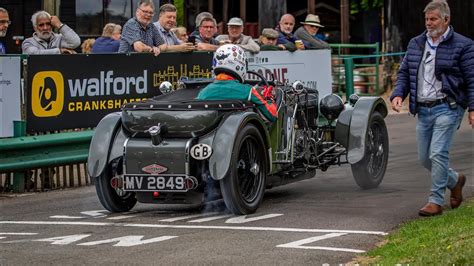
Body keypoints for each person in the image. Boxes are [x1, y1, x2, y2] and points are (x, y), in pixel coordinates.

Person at [390, 0, 473, 216]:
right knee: (424, 158)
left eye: (433, 19)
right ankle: (455, 181)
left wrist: (473, 108)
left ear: (446, 20)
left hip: (449, 107)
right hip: (424, 109)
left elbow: (472, 79)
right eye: (427, 19)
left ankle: (435, 201)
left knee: (437, 153)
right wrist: (399, 93)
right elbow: (405, 72)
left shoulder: (463, 45)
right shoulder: (416, 43)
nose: (429, 23)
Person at [197, 44, 277, 122]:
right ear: (240, 63)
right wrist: (269, 99)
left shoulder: (203, 92)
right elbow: (272, 115)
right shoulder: (247, 91)